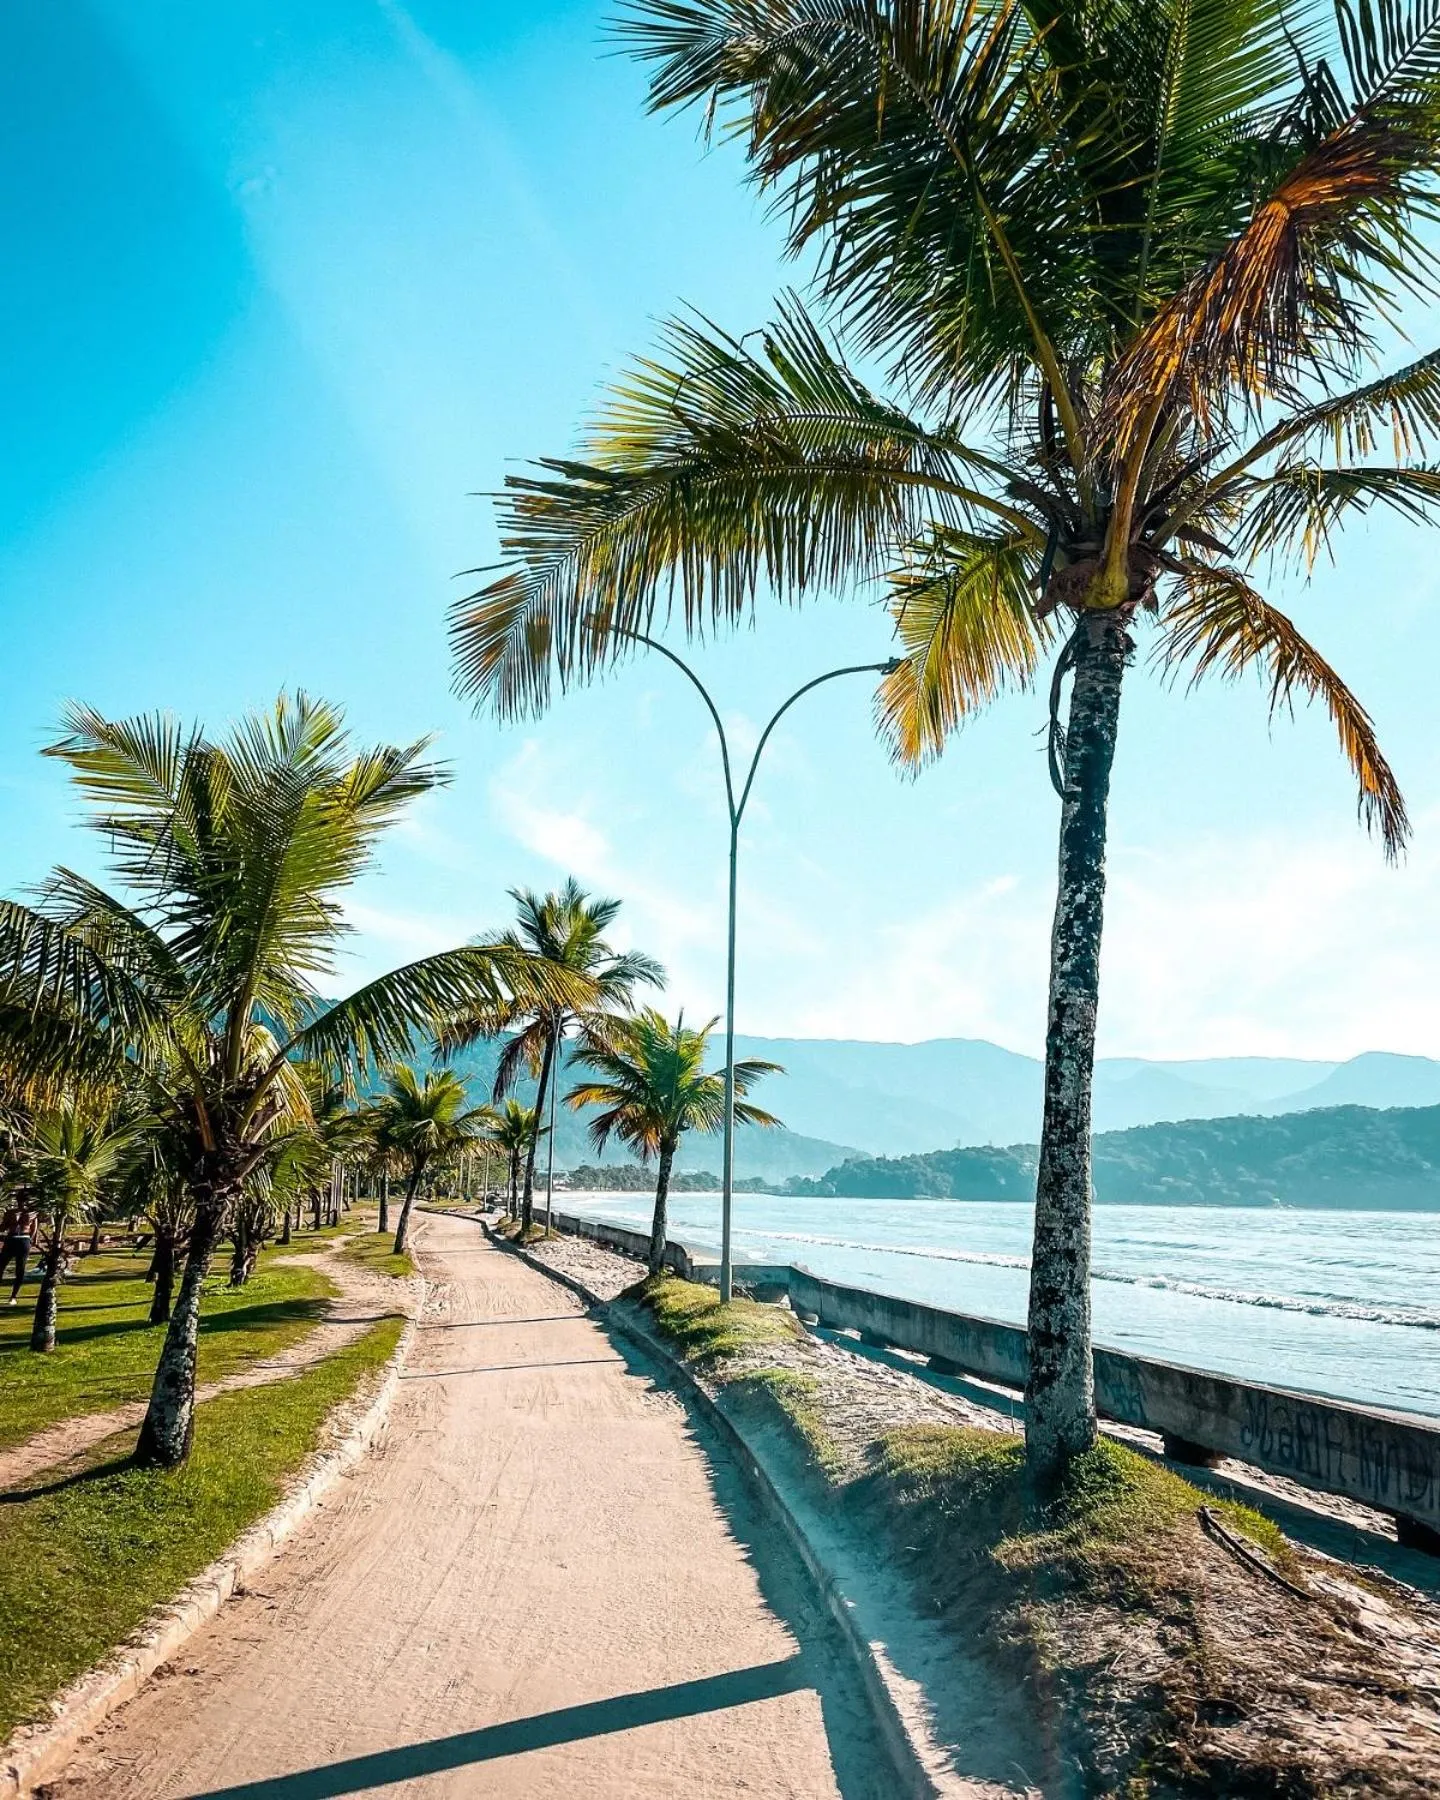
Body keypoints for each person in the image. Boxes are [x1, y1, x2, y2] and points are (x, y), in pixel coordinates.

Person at [0, 1197, 39, 1305]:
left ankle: (13, 1296)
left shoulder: (32, 1214)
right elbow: (3, 1227)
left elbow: (34, 1229)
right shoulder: (13, 1213)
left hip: (22, 1240)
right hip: (15, 1239)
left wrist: (32, 1240)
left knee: (19, 1269)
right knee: (3, 1266)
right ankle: (13, 1297)